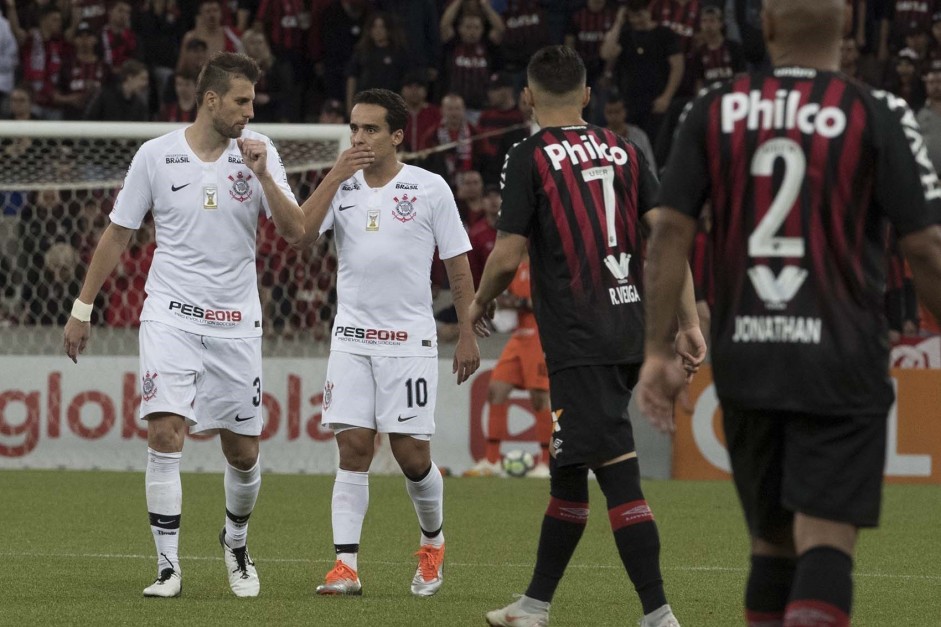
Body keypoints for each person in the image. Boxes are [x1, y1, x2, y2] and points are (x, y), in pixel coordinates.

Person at [636, 0, 941, 624]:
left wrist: (658, 353)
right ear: (849, 28)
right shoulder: (879, 112)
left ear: (767, 27)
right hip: (841, 354)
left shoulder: (712, 107)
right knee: (826, 538)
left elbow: (668, 233)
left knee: (771, 546)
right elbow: (925, 248)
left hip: (747, 354)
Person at [470, 45, 704, 627]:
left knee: (617, 472)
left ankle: (659, 614)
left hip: (579, 337)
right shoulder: (625, 149)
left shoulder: (529, 154)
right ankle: (534, 605)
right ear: (587, 96)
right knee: (569, 471)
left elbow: (506, 255)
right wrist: (690, 322)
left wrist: (477, 301)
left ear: (527, 97)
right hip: (627, 329)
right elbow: (667, 239)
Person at [63, 52, 306, 599]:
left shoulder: (260, 153)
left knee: (243, 453)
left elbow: (296, 232)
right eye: (241, 100)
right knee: (164, 432)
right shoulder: (156, 156)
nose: (250, 110)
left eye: (253, 101)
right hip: (169, 313)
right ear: (211, 99)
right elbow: (119, 234)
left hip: (236, 322)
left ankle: (236, 542)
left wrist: (265, 174)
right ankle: (168, 566)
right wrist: (83, 308)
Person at [300, 88, 480, 598]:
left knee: (411, 455)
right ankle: (345, 567)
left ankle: (432, 543)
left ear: (397, 135)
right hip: (352, 339)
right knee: (353, 447)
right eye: (354, 128)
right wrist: (334, 175)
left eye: (370, 129)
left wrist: (465, 333)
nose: (359, 137)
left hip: (408, 342)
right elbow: (300, 235)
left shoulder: (430, 189)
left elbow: (458, 266)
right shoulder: (342, 186)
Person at [465, 251, 552, 479]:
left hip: (540, 333)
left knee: (540, 396)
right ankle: (492, 460)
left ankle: (546, 463)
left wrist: (518, 302)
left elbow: (543, 300)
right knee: (496, 389)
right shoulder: (511, 262)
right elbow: (503, 298)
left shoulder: (545, 259)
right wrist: (519, 302)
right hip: (519, 334)